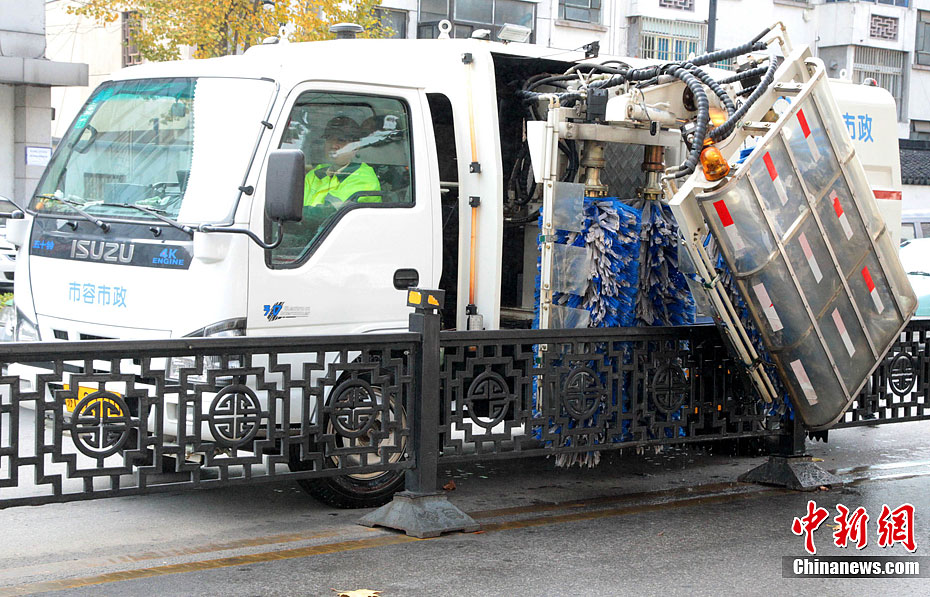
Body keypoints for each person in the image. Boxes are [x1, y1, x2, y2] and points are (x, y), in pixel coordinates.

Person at [304, 115, 381, 208]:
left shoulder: (364, 178)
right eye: (329, 138)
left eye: (341, 140)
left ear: (356, 147)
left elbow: (328, 212)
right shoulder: (316, 173)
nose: (333, 145)